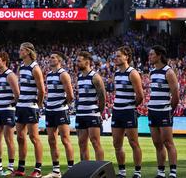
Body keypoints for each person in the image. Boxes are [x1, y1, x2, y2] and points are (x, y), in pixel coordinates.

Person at [111, 46, 144, 178]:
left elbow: (140, 95)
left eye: (119, 56)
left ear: (126, 57)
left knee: (133, 142)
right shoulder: (117, 73)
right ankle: (122, 172)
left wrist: (130, 106)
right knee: (117, 144)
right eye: (116, 56)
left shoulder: (133, 73)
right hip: (117, 111)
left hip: (128, 111)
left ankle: (137, 172)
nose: (116, 58)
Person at [14, 42, 45, 177]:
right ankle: (21, 168)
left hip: (31, 106)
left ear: (27, 52)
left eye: (21, 50)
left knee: (34, 137)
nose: (19, 52)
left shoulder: (35, 68)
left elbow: (42, 90)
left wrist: (38, 105)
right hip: (21, 105)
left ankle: (38, 169)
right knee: (20, 137)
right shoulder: (21, 67)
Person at [148, 45, 179, 178]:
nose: (149, 57)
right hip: (152, 110)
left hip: (164, 111)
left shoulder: (169, 72)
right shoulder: (152, 72)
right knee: (157, 143)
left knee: (168, 142)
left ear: (159, 55)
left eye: (152, 54)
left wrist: (170, 109)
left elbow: (175, 95)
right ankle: (160, 171)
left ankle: (172, 172)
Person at [42, 52, 74, 178]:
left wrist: (62, 105)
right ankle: (56, 171)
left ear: (59, 60)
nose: (50, 59)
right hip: (50, 110)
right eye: (50, 57)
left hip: (60, 110)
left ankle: (71, 170)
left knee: (65, 140)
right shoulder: (49, 75)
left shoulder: (63, 74)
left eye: (53, 57)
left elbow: (70, 95)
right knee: (51, 140)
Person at [75, 51, 106, 161]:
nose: (76, 63)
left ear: (87, 62)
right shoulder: (79, 76)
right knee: (82, 143)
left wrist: (98, 112)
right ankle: (85, 169)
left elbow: (102, 97)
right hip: (80, 113)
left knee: (95, 142)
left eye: (79, 61)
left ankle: (100, 169)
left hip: (92, 114)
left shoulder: (95, 77)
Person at [0, 51, 18, 176]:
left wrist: (16, 108)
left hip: (8, 109)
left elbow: (17, 94)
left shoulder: (10, 75)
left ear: (4, 61)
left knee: (8, 139)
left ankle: (11, 167)